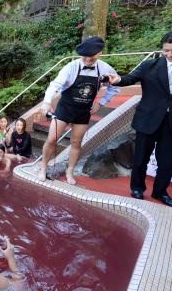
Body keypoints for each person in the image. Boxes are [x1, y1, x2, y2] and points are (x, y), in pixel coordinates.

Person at [108, 29, 172, 207]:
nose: (170, 54)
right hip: (148, 119)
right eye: (166, 50)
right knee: (140, 158)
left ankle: (161, 192)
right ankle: (137, 187)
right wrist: (118, 80)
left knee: (168, 162)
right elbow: (131, 78)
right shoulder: (150, 65)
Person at [38, 36, 119, 185]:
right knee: (51, 139)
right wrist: (46, 102)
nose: (87, 59)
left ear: (99, 53)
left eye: (91, 56)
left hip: (83, 111)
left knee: (76, 143)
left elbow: (115, 88)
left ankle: (70, 171)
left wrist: (100, 104)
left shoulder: (105, 69)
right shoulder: (71, 66)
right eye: (84, 56)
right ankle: (43, 167)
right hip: (65, 107)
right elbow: (55, 85)